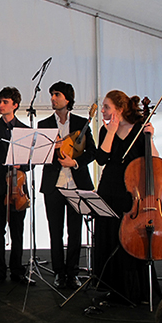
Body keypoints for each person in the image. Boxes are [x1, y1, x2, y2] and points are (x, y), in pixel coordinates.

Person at [94, 90, 162, 304]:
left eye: (106, 107)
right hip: (108, 191)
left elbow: (155, 159)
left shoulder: (140, 130)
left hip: (131, 195)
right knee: (109, 237)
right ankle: (113, 288)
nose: (103, 110)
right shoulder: (106, 130)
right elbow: (102, 159)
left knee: (129, 240)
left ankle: (136, 290)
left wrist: (150, 137)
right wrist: (111, 132)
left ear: (120, 109)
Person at [38, 81, 97, 290]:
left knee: (75, 230)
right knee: (55, 231)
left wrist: (75, 162)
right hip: (53, 185)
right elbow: (39, 156)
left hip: (76, 183)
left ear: (68, 99)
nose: (52, 98)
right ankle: (58, 273)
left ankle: (72, 272)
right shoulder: (44, 124)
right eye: (51, 94)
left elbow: (92, 152)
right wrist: (52, 150)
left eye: (56, 94)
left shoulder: (82, 123)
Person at [0, 87, 34, 285]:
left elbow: (32, 161)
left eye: (5, 102)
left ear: (15, 105)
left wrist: (24, 164)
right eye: (0, 101)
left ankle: (18, 271)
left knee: (18, 230)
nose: (1, 105)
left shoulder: (25, 130)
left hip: (18, 187)